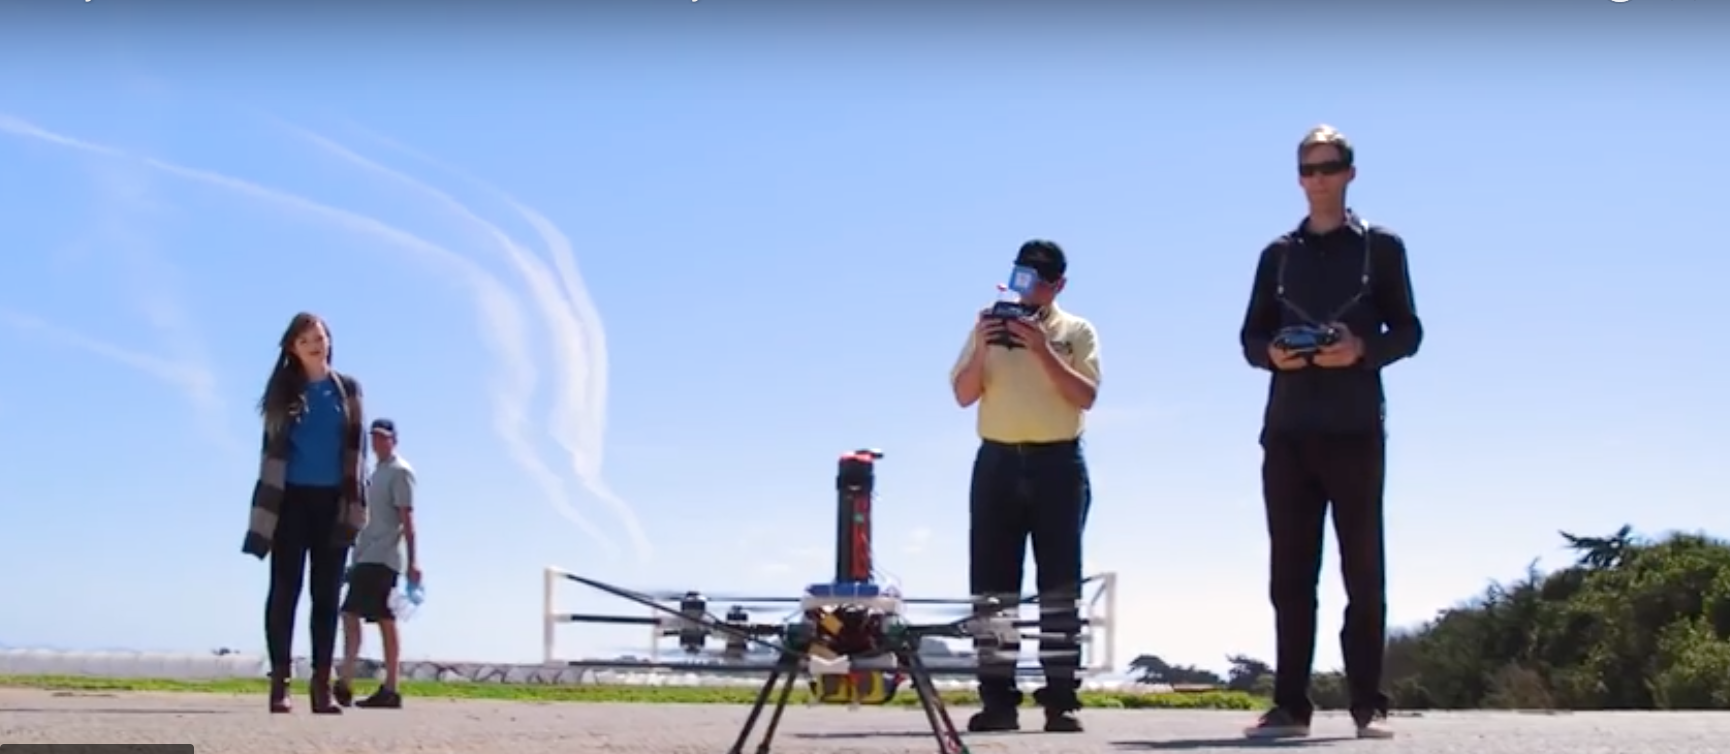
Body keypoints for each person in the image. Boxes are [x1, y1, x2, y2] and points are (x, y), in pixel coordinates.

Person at [1237, 125, 1423, 740]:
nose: (1319, 178)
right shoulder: (1277, 255)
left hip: (1354, 429)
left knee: (1362, 569)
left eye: (1330, 167)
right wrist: (1273, 354)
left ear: (1350, 172)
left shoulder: (1382, 249)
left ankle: (1367, 699)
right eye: (1309, 169)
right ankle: (1291, 701)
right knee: (1290, 574)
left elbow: (1411, 332)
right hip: (1287, 432)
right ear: (1298, 178)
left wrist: (1361, 348)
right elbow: (1248, 339)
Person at [949, 239, 1101, 734]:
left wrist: (1041, 349)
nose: (1029, 287)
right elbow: (964, 394)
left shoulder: (1075, 330)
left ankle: (1062, 700)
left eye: (1039, 279)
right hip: (996, 461)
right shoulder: (988, 325)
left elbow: (1086, 395)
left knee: (1059, 585)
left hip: (1058, 463)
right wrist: (982, 341)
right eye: (1022, 275)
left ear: (1058, 285)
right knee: (993, 588)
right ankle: (997, 700)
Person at [242, 312, 368, 714]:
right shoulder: (283, 390)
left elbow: (357, 454)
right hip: (289, 501)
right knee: (285, 590)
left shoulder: (347, 389)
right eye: (305, 339)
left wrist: (355, 505)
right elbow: (271, 453)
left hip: (333, 502)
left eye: (319, 336)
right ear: (292, 348)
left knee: (327, 596)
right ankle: (280, 683)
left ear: (329, 340)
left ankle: (321, 685)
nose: (315, 344)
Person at [335, 418, 421, 709]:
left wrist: (413, 561)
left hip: (384, 556)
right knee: (357, 614)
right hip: (366, 553)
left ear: (393, 440)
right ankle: (352, 680)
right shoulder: (376, 473)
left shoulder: (400, 472)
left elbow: (408, 518)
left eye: (383, 437)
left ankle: (380, 684)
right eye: (374, 438)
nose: (378, 442)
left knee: (375, 617)